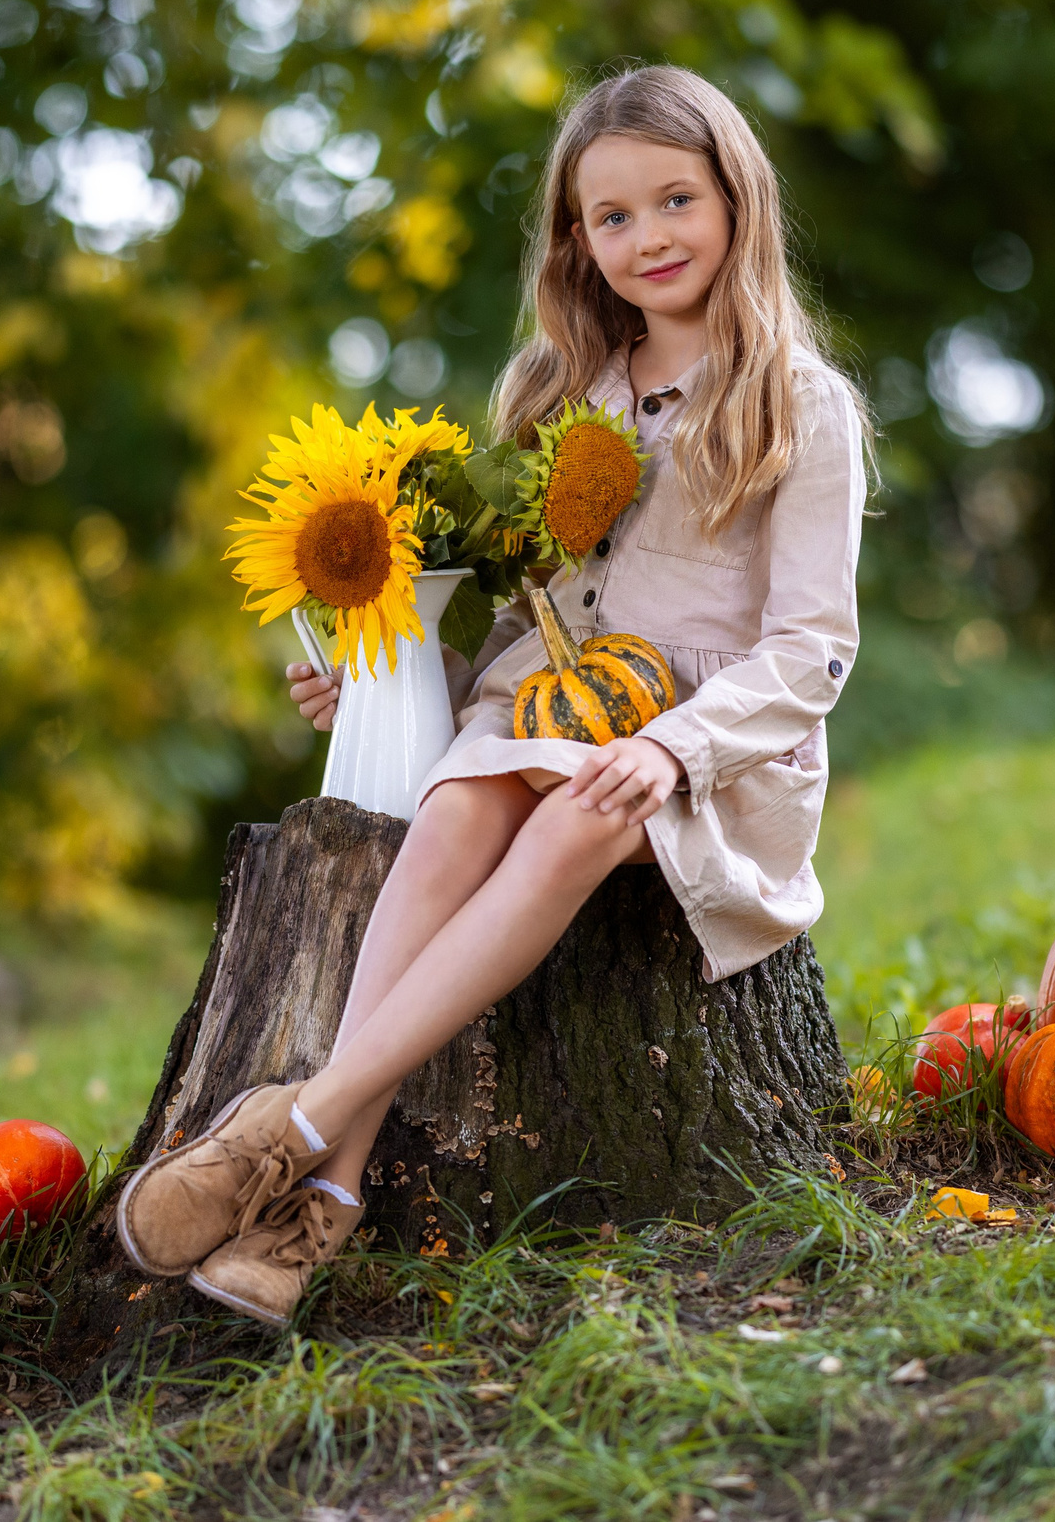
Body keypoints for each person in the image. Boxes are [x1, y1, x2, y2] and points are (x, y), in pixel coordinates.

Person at [117, 64, 871, 1323]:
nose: (647, 238)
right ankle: (328, 1198)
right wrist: (391, 680)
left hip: (708, 755)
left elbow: (811, 651)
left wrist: (679, 747)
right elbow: (521, 603)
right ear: (577, 240)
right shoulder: (553, 392)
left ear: (736, 199)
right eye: (611, 217)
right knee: (462, 805)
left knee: (578, 811)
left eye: (675, 200)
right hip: (540, 717)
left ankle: (290, 1126)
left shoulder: (796, 405)